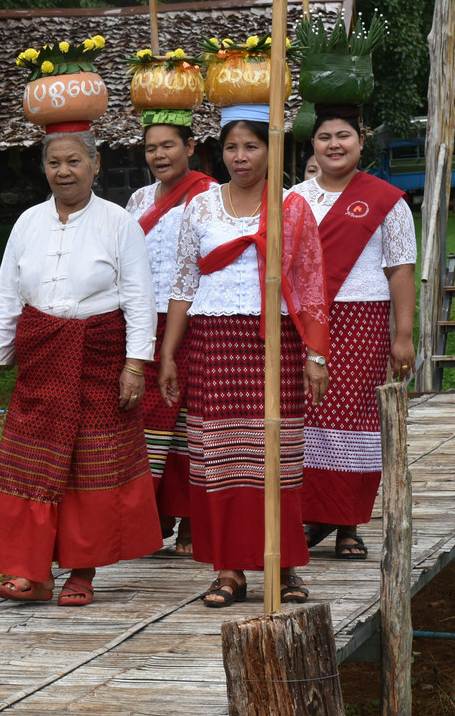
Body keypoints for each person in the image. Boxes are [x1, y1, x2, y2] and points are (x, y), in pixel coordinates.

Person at [0, 129, 161, 605]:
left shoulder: (120, 224)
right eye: (55, 162)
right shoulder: (27, 223)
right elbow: (8, 296)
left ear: (95, 165)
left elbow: (142, 301)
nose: (64, 171)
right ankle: (32, 573)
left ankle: (83, 571)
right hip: (41, 356)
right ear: (45, 168)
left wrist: (135, 366)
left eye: (74, 161)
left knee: (90, 465)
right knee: (30, 461)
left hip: (100, 356)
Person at [157, 108, 330, 607]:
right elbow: (184, 283)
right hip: (214, 342)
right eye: (232, 147)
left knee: (276, 456)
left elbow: (311, 285)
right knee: (222, 459)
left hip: (274, 343)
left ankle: (286, 566)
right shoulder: (202, 208)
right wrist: (169, 353)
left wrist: (315, 355)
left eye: (251, 147)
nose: (240, 157)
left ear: (271, 151)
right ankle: (228, 570)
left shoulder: (292, 208)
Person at [292, 106, 416, 560]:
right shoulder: (295, 198)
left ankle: (347, 523)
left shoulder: (388, 200)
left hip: (363, 321)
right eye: (325, 137)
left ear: (361, 142)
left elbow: (401, 269)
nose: (334, 145)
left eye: (343, 136)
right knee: (306, 418)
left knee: (355, 421)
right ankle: (308, 513)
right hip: (306, 324)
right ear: (313, 147)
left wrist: (403, 335)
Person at [125, 113, 215, 556]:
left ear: (191, 146)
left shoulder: (211, 197)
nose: (159, 155)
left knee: (188, 420)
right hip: (143, 323)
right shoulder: (138, 199)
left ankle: (193, 517)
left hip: (195, 321)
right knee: (148, 421)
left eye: (168, 145)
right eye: (150, 148)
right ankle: (153, 513)